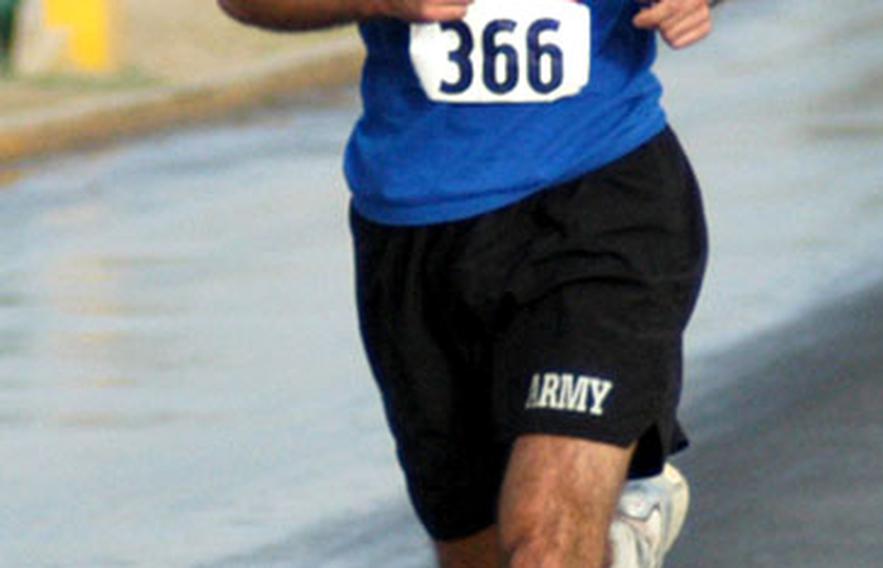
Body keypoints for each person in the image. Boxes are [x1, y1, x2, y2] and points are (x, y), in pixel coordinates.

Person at [219, 0, 712, 566]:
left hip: (599, 196)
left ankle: (594, 530)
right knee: (479, 551)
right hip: (414, 233)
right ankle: (607, 541)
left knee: (542, 543)